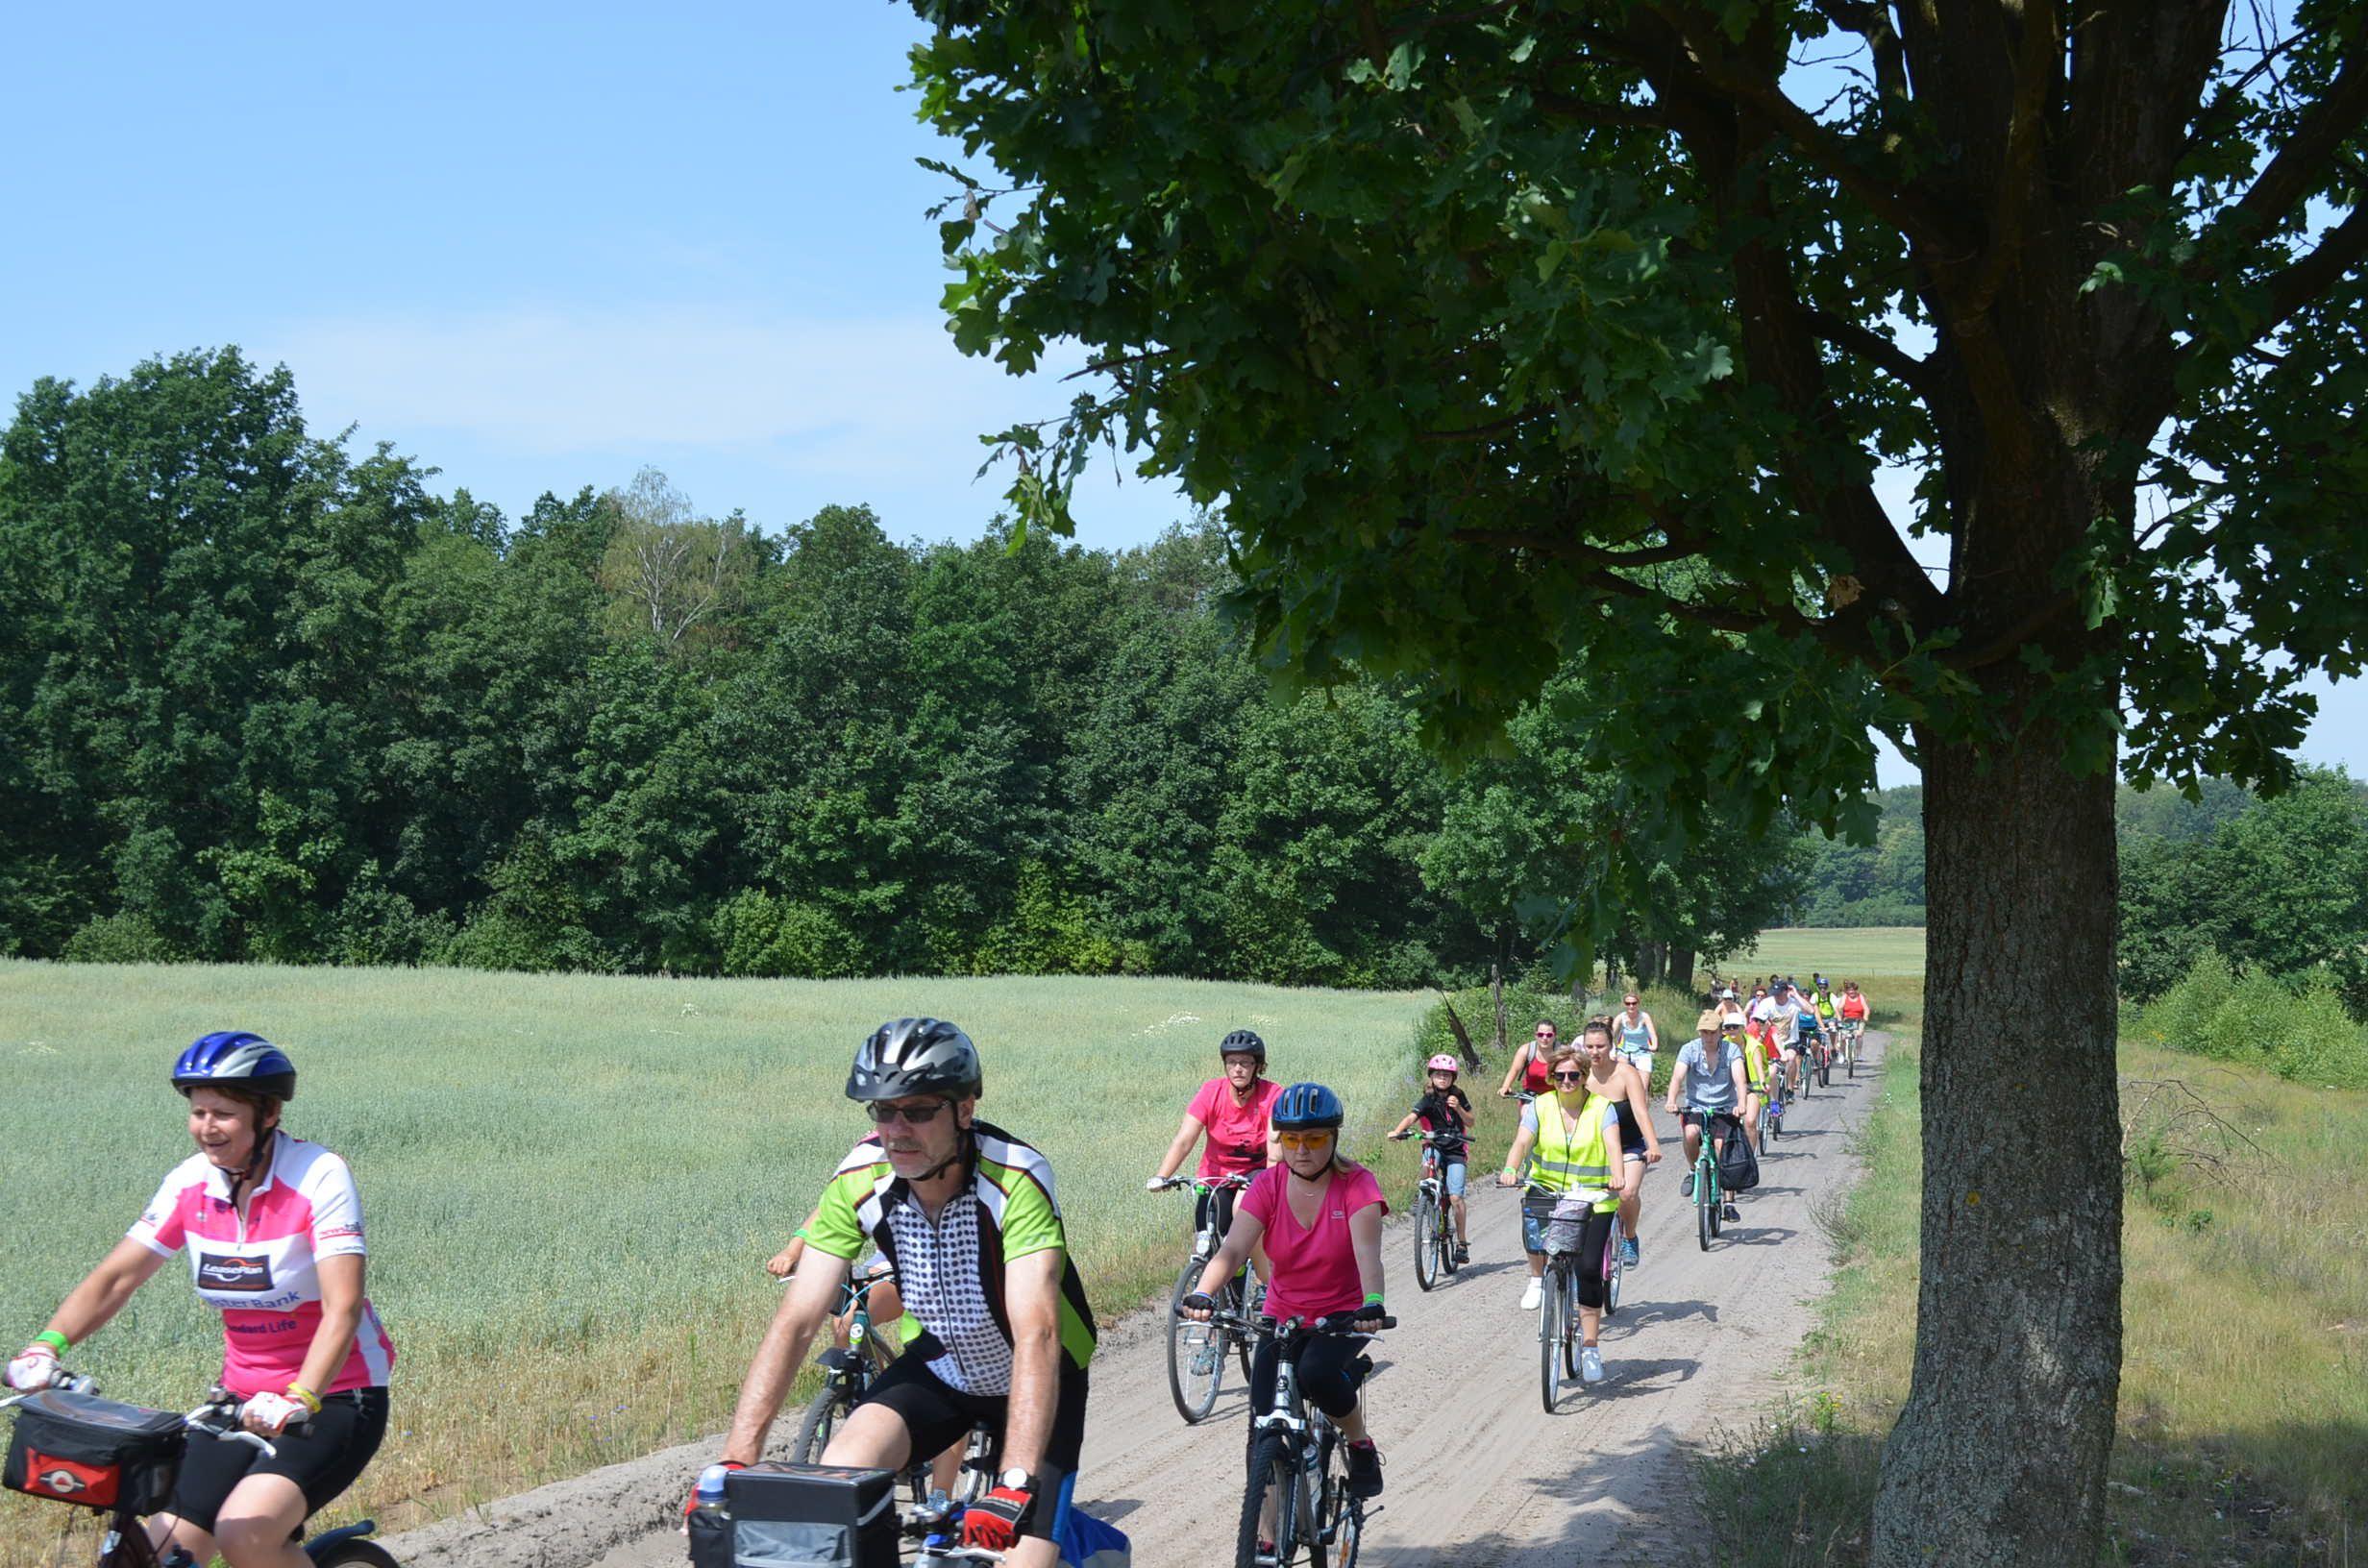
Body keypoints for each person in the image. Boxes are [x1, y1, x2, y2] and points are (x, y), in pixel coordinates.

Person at [6, 1033, 396, 1568]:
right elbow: (118, 1277)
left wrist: (300, 1396)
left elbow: (343, 1307)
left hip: (333, 1396)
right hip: (237, 1400)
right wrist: (46, 1347)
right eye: (198, 1112)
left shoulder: (317, 1174)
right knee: (164, 1545)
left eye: (224, 1114)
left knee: (245, 1536)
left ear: (269, 1114)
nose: (207, 1128)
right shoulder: (190, 1183)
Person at [716, 1019, 1096, 1567]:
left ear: (964, 1110)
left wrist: (1013, 1481)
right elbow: (797, 1320)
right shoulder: (859, 1178)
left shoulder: (1016, 1177)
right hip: (940, 1369)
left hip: (1037, 1375)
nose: (896, 1130)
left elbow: (1037, 1330)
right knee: (834, 1486)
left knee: (1024, 1558)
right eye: (882, 1111)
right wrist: (737, 1458)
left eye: (917, 1110)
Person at [1182, 1083, 1388, 1509]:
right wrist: (1203, 1293)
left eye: (1314, 1139)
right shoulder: (1268, 1186)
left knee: (1316, 1374)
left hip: (1344, 1316)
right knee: (1261, 1428)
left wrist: (1372, 1303)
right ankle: (1266, 1539)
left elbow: (1369, 1255)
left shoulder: (1357, 1185)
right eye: (1291, 1138)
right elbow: (1233, 1249)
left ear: (1333, 1138)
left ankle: (1360, 1445)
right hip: (1283, 1317)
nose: (1302, 1149)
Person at [1494, 1047, 1625, 1384]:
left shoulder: (1602, 1109)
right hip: (1548, 1191)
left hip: (1594, 1197)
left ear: (1584, 1077)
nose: (1567, 1082)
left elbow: (1613, 1146)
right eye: (1560, 1076)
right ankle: (1540, 1280)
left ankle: (1592, 1347)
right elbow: (1522, 1142)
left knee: (1588, 1269)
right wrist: (1511, 1167)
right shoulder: (1540, 1106)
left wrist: (1617, 1174)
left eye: (1574, 1075)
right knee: (1535, 1237)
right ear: (1551, 1078)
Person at [1147, 1029, 1282, 1242]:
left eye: (1245, 1063)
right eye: (1232, 1062)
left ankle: (1250, 1271)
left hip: (1255, 1174)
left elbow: (1275, 1151)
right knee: (1203, 1238)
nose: (1237, 1069)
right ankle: (1199, 1272)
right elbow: (1184, 1140)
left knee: (1241, 1211)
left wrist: (1275, 1187)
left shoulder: (1272, 1095)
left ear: (1257, 1066)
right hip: (1216, 1176)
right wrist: (1161, 1177)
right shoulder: (1211, 1092)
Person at [1580, 1020, 1660, 1269]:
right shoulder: (1579, 1075)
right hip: (1592, 1150)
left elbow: (1640, 1111)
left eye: (1600, 1046)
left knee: (1627, 1192)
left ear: (1611, 1046)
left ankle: (1629, 1237)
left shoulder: (1626, 1073)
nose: (1595, 1052)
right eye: (1590, 1046)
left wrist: (1653, 1145)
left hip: (1629, 1146)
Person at [1388, 1054, 1476, 1263]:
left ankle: (1462, 1243)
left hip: (1455, 1148)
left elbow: (1471, 1122)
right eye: (1438, 1074)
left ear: (1453, 1078)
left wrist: (1459, 1109)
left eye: (1447, 1075)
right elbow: (1412, 1116)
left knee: (1455, 1197)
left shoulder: (1458, 1096)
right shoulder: (1428, 1098)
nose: (1442, 1078)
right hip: (1434, 1143)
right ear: (1432, 1076)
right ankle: (1424, 1197)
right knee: (1428, 1164)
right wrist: (1398, 1131)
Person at [1666, 1015, 1752, 1224]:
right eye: (1705, 1032)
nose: (1709, 1036)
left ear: (1720, 1031)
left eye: (1713, 1032)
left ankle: (1729, 1203)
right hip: (1697, 1105)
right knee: (1691, 1133)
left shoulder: (1731, 1050)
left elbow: (1740, 1079)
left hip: (1725, 1107)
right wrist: (1671, 1100)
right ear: (1699, 1032)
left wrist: (1741, 1104)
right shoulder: (1689, 1049)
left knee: (1723, 1148)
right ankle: (1693, 1170)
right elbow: (1677, 1077)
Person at [1496, 1018, 1561, 1100]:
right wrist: (1505, 1087)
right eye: (1541, 1034)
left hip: (1556, 1097)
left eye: (1549, 1035)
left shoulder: (1562, 1052)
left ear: (1554, 1036)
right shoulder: (1526, 1050)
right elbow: (1514, 1070)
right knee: (1527, 1112)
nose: (1544, 1038)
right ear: (1536, 1035)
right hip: (1530, 1096)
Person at [1612, 993, 1659, 1086]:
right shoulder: (1621, 1017)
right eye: (1628, 1003)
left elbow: (1653, 1034)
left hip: (1642, 1052)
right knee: (1620, 1081)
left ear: (1638, 1003)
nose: (1631, 1006)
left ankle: (1643, 1097)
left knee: (1643, 1086)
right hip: (1625, 1052)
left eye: (1634, 1003)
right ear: (1624, 1004)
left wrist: (1654, 1046)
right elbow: (1611, 1035)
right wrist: (1610, 1049)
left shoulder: (1644, 1017)